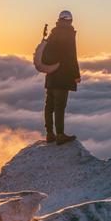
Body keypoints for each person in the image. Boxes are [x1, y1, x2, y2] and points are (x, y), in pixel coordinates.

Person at [42, 9, 80, 145]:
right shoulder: (68, 34)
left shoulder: (53, 33)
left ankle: (49, 134)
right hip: (63, 76)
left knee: (49, 106)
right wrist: (76, 75)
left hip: (51, 75)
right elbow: (71, 56)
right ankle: (60, 135)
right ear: (69, 20)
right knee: (59, 106)